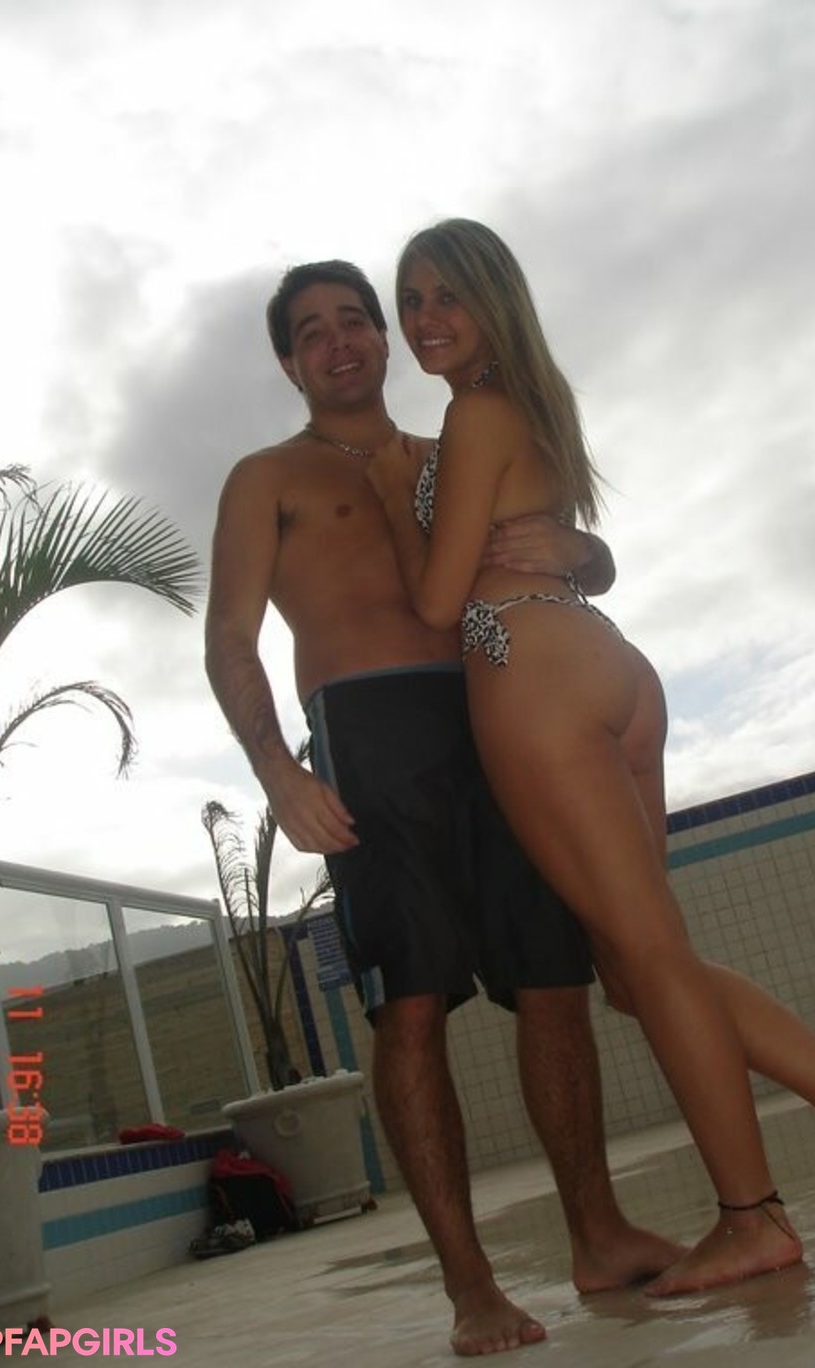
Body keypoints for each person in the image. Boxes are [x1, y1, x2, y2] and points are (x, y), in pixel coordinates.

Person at [364, 218, 815, 1297]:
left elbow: (437, 601)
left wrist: (411, 524)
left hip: (532, 678)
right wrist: (581, 551)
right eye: (412, 300)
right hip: (608, 670)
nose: (426, 319)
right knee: (636, 968)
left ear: (493, 299)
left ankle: (752, 1218)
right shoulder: (532, 403)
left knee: (651, 963)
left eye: (447, 295)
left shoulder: (475, 412)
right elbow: (571, 546)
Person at [205, 258, 686, 1358]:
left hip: (496, 706)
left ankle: (600, 1234)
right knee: (410, 1006)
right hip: (369, 734)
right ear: (288, 361)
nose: (340, 342)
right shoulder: (265, 476)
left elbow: (569, 554)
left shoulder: (452, 450)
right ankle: (472, 1287)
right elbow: (230, 635)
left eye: (356, 321)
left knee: (553, 980)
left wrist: (587, 552)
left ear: (386, 339)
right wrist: (279, 770)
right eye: (313, 332)